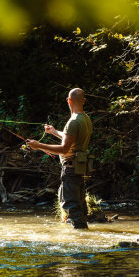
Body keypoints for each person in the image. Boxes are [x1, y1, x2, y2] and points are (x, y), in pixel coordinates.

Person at [26, 88, 93, 229]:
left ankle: (81, 238)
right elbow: (71, 140)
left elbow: (64, 149)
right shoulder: (85, 119)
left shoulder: (73, 121)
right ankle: (84, 235)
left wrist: (38, 146)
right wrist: (54, 132)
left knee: (71, 206)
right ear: (84, 101)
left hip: (70, 169)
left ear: (69, 101)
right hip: (79, 169)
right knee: (80, 205)